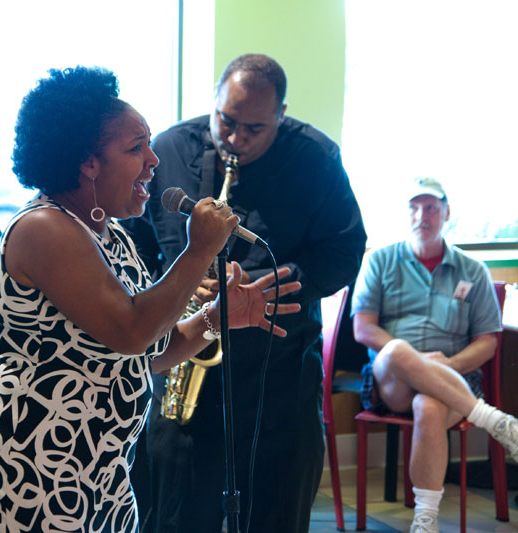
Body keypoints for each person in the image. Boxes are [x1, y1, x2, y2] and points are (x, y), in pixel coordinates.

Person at [0, 65, 303, 533]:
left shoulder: (110, 234)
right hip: (32, 455)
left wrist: (217, 318)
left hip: (101, 465)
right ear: (88, 163)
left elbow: (150, 352)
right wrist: (200, 249)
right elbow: (131, 331)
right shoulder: (44, 229)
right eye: (135, 148)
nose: (154, 161)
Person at [120, 53, 367, 532]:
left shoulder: (316, 158)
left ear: (282, 115)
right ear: (213, 101)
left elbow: (344, 249)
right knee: (173, 513)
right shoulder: (168, 151)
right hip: (182, 375)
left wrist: (276, 282)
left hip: (278, 375)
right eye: (226, 121)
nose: (235, 139)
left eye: (254, 129)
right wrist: (182, 275)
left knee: (274, 511)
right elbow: (132, 249)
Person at [351, 177, 518, 533]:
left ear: (446, 214)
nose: (421, 215)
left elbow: (487, 342)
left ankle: (425, 521)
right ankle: (494, 421)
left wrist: (450, 366)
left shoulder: (472, 270)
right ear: (405, 213)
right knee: (397, 349)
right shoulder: (380, 260)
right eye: (414, 207)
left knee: (429, 404)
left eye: (430, 207)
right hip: (390, 379)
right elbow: (363, 330)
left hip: (454, 378)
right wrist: (420, 362)